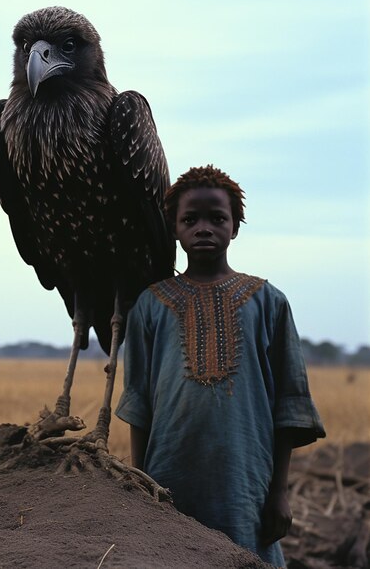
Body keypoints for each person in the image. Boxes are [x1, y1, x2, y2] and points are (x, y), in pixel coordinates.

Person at [115, 165, 325, 566]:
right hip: (167, 481)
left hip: (246, 483)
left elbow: (289, 405)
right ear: (173, 229)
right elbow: (138, 405)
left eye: (217, 218)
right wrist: (139, 484)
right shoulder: (150, 305)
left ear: (236, 227)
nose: (204, 228)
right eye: (190, 220)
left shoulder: (269, 302)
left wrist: (279, 492)